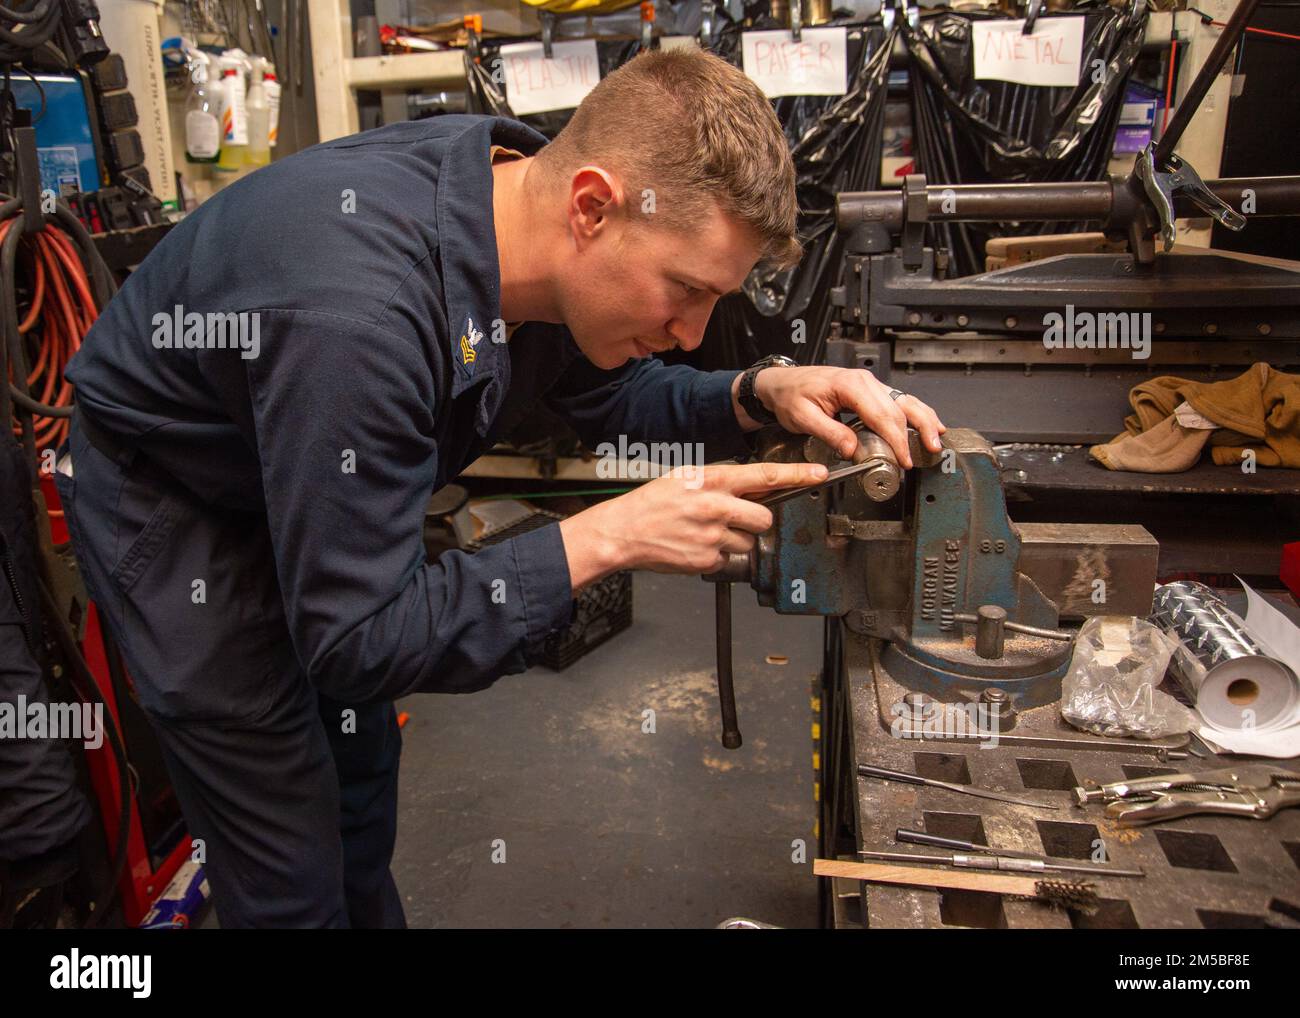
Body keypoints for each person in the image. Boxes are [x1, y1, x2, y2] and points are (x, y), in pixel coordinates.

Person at [56, 47, 944, 927]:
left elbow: (614, 399)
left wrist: (758, 392)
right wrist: (606, 538)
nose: (689, 332)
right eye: (684, 289)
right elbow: (357, 637)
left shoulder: (518, 214)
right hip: (186, 507)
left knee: (357, 788)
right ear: (592, 205)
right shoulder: (360, 317)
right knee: (285, 846)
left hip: (308, 461)